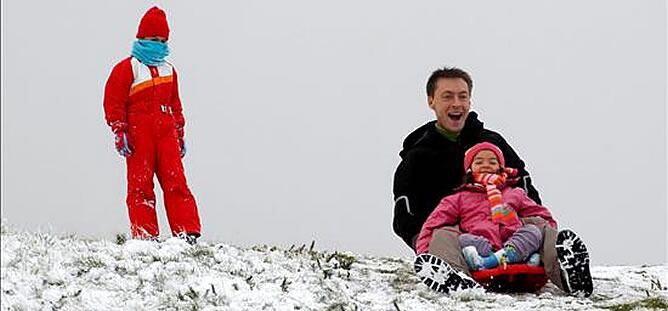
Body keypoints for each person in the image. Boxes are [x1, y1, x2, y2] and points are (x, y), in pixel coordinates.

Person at [394, 67, 592, 296]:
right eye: (447, 96)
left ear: (470, 99)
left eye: (462, 96)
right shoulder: (418, 155)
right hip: (467, 241)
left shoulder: (493, 142)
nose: (456, 103)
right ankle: (454, 278)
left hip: (511, 233)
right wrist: (423, 245)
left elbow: (526, 189)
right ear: (431, 101)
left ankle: (567, 273)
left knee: (541, 226)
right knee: (442, 234)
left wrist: (535, 220)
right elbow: (404, 208)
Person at [103, 6, 201, 244]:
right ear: (141, 38)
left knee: (176, 181)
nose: (157, 44)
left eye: (161, 40)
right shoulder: (129, 68)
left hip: (166, 131)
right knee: (140, 184)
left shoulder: (169, 70)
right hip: (139, 132)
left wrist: (179, 133)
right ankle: (146, 235)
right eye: (152, 39)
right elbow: (113, 100)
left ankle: (186, 232)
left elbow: (176, 105)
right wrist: (120, 130)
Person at [416, 142, 556, 272]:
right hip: (480, 246)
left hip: (513, 245)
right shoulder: (459, 198)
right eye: (479, 162)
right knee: (453, 236)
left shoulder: (514, 193)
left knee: (533, 229)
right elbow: (433, 224)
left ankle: (490, 262)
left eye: (492, 162)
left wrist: (548, 238)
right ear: (470, 169)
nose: (486, 165)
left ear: (500, 167)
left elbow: (543, 216)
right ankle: (462, 269)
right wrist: (424, 255)